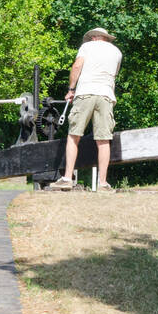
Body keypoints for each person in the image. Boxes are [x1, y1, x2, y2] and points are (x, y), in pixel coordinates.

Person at [51, 27, 122, 191]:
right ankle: (103, 183)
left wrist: (71, 89)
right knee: (104, 140)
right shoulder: (117, 52)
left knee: (74, 135)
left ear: (95, 37)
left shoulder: (87, 47)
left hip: (85, 93)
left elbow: (77, 66)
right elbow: (114, 74)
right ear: (106, 38)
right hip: (106, 95)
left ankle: (68, 178)